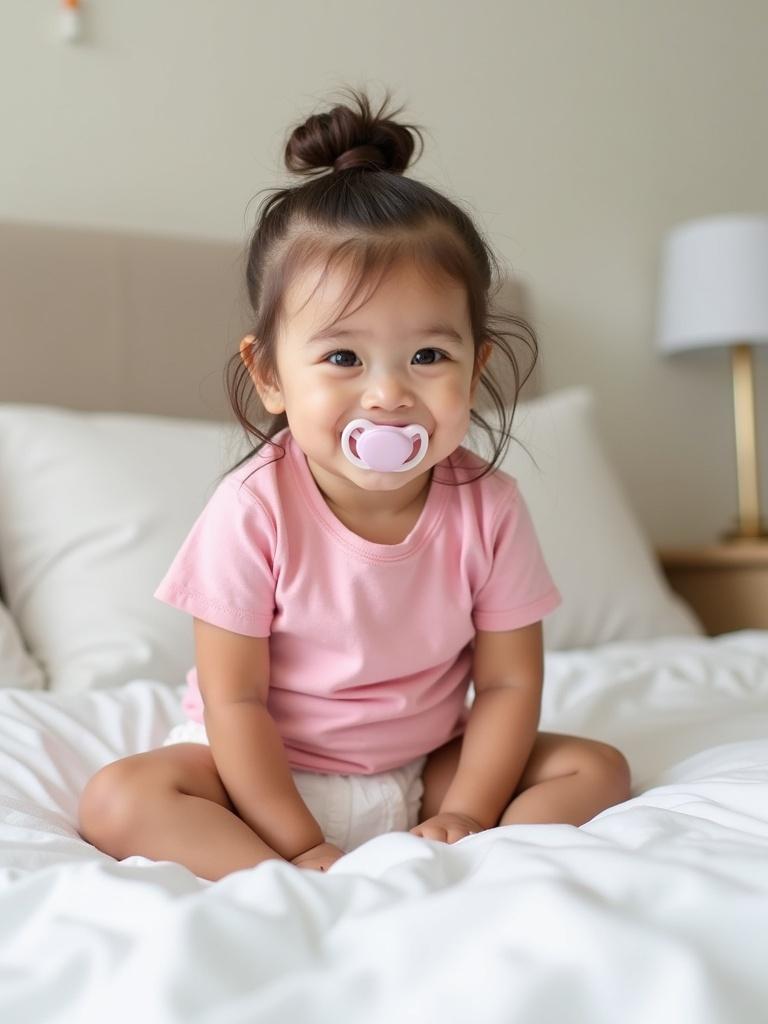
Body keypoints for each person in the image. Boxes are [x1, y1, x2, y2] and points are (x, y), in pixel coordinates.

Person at [77, 86, 631, 882]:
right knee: (120, 799)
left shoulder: (490, 506)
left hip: (426, 767)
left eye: (428, 357)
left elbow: (509, 682)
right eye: (343, 358)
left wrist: (469, 810)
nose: (387, 395)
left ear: (475, 370)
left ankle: (471, 868)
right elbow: (235, 704)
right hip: (261, 774)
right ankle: (298, 882)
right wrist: (300, 841)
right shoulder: (254, 507)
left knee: (597, 768)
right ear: (269, 374)